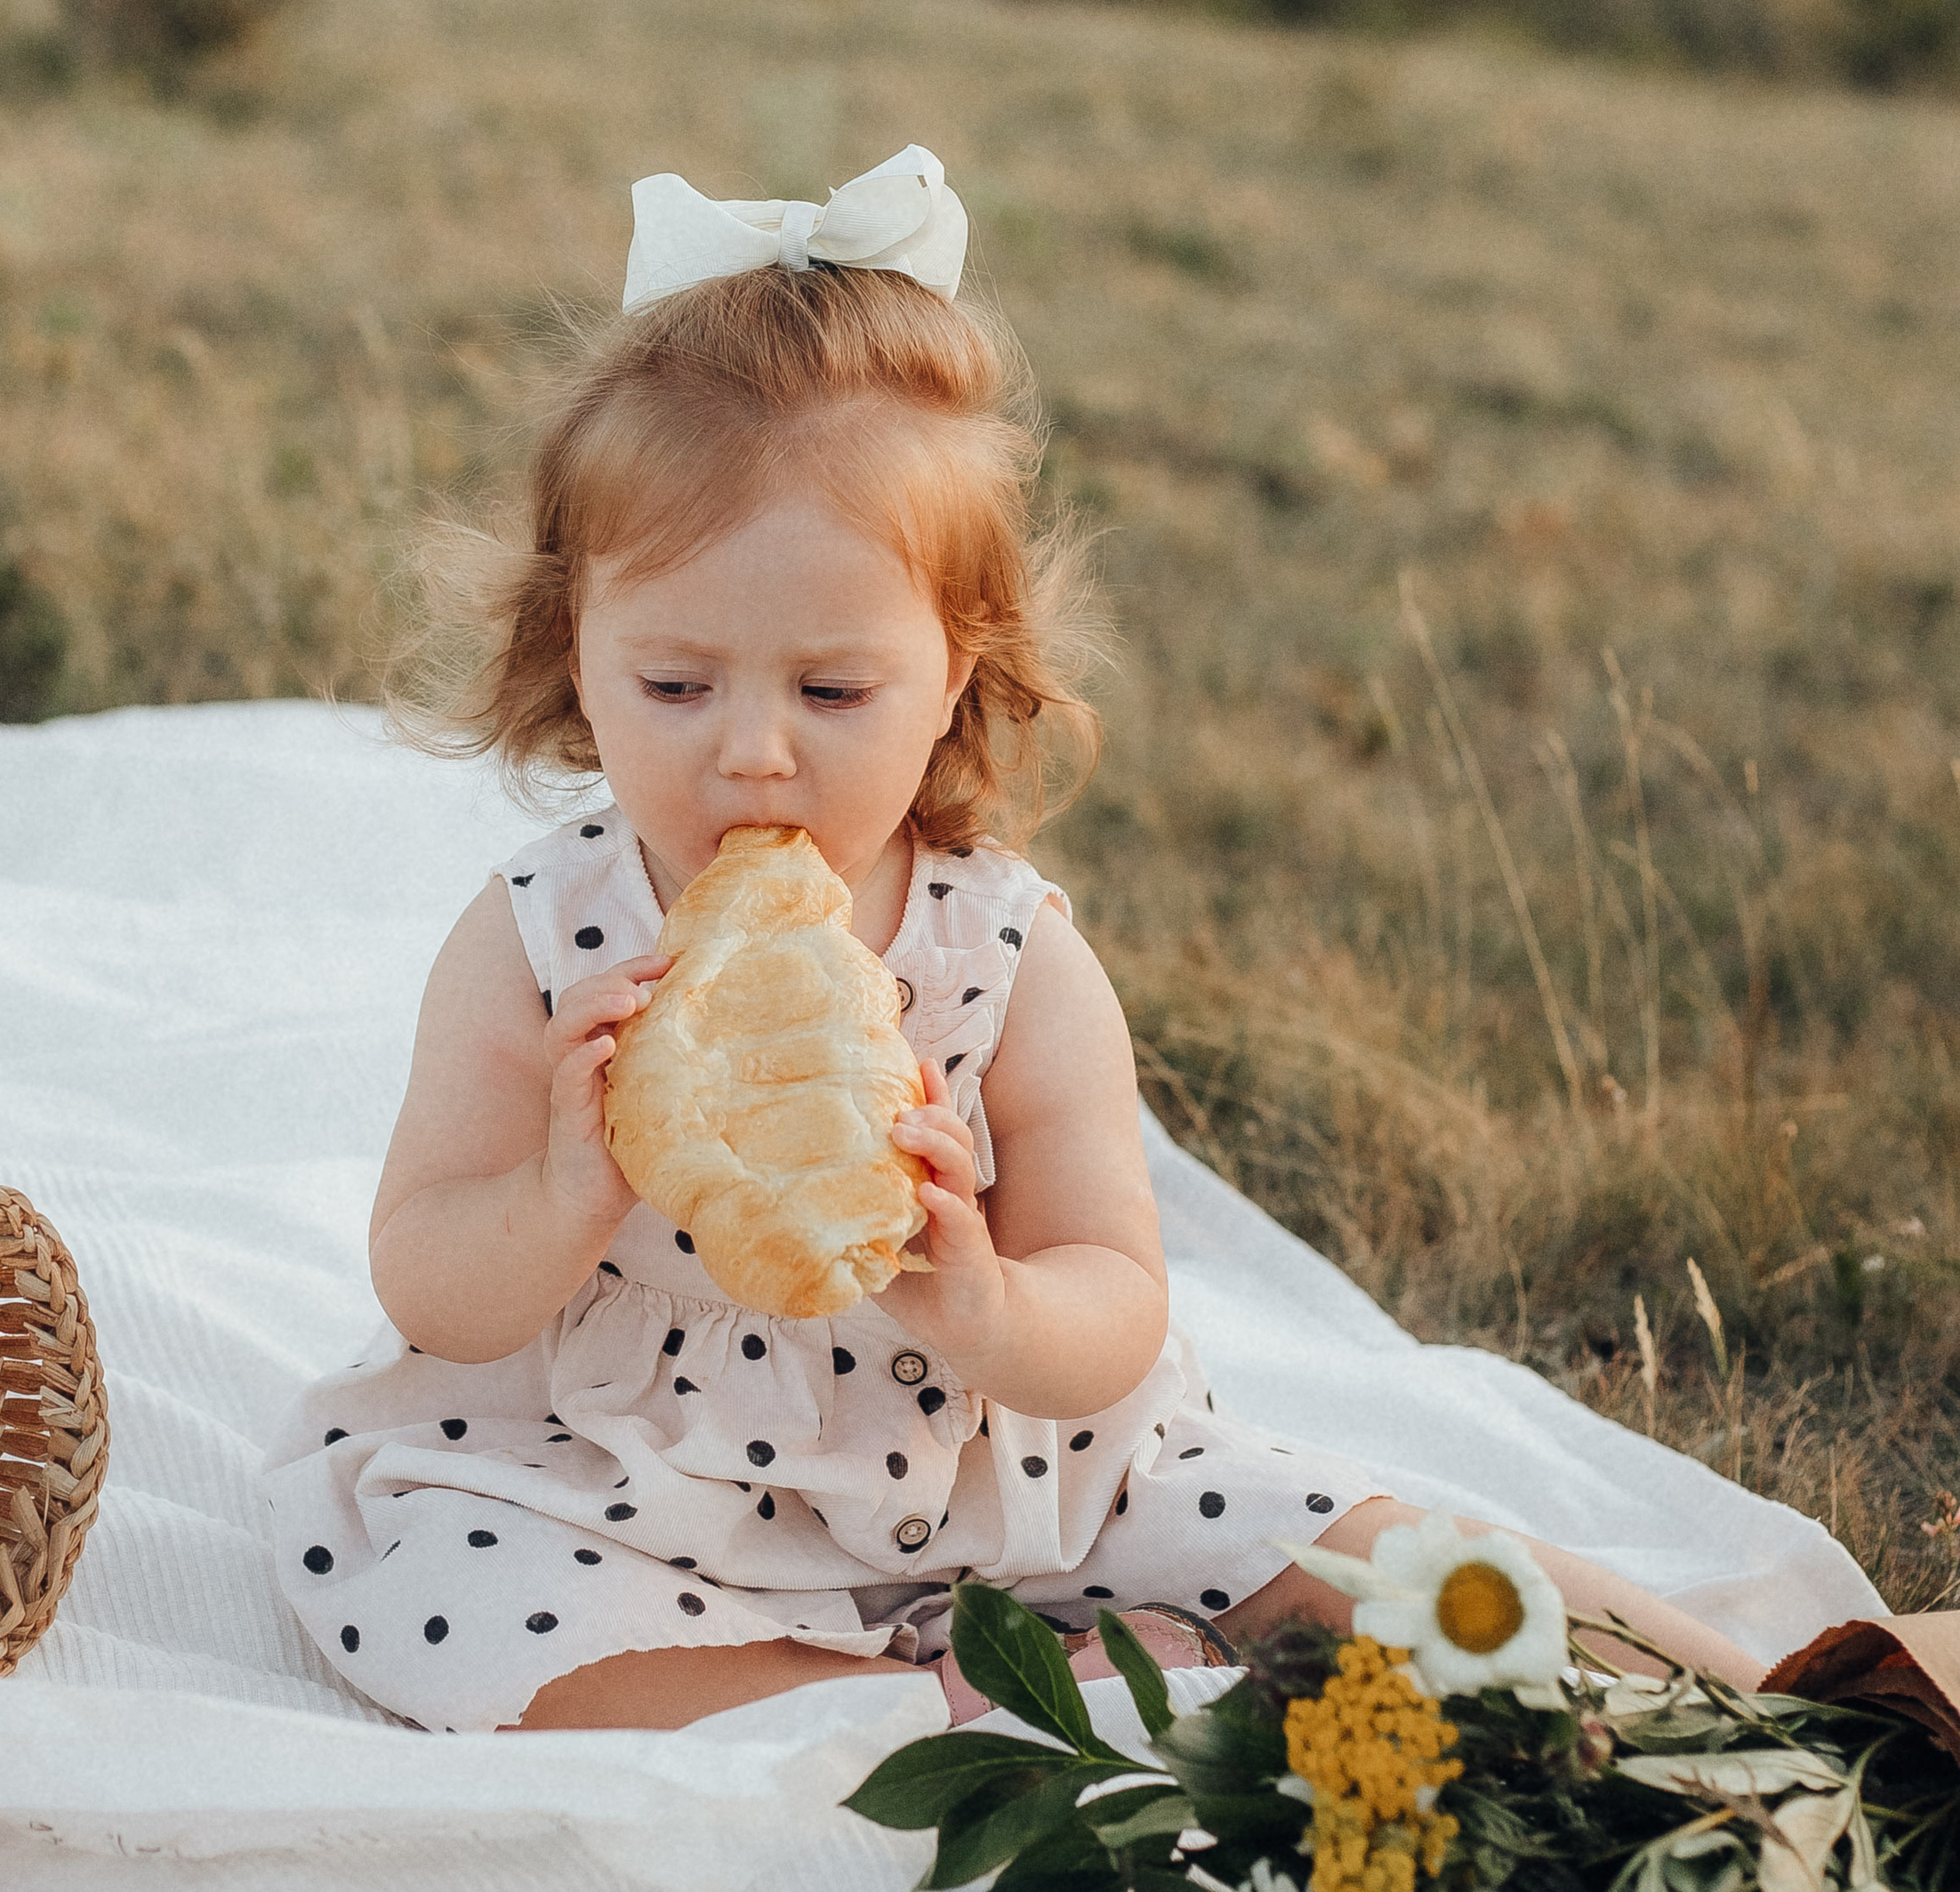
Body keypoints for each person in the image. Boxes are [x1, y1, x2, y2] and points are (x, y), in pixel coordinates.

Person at [264, 147, 1763, 1730]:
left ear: (958, 664)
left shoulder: (1007, 954)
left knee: (1355, 1550)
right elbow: (430, 1279)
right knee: (461, 1595)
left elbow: (1116, 1293)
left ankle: (1773, 1699)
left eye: (831, 692)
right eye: (675, 684)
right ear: (576, 644)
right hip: (632, 1484)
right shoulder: (545, 939)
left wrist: (989, 1305)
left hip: (1006, 1472)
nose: (753, 753)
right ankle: (940, 1715)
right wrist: (566, 1191)